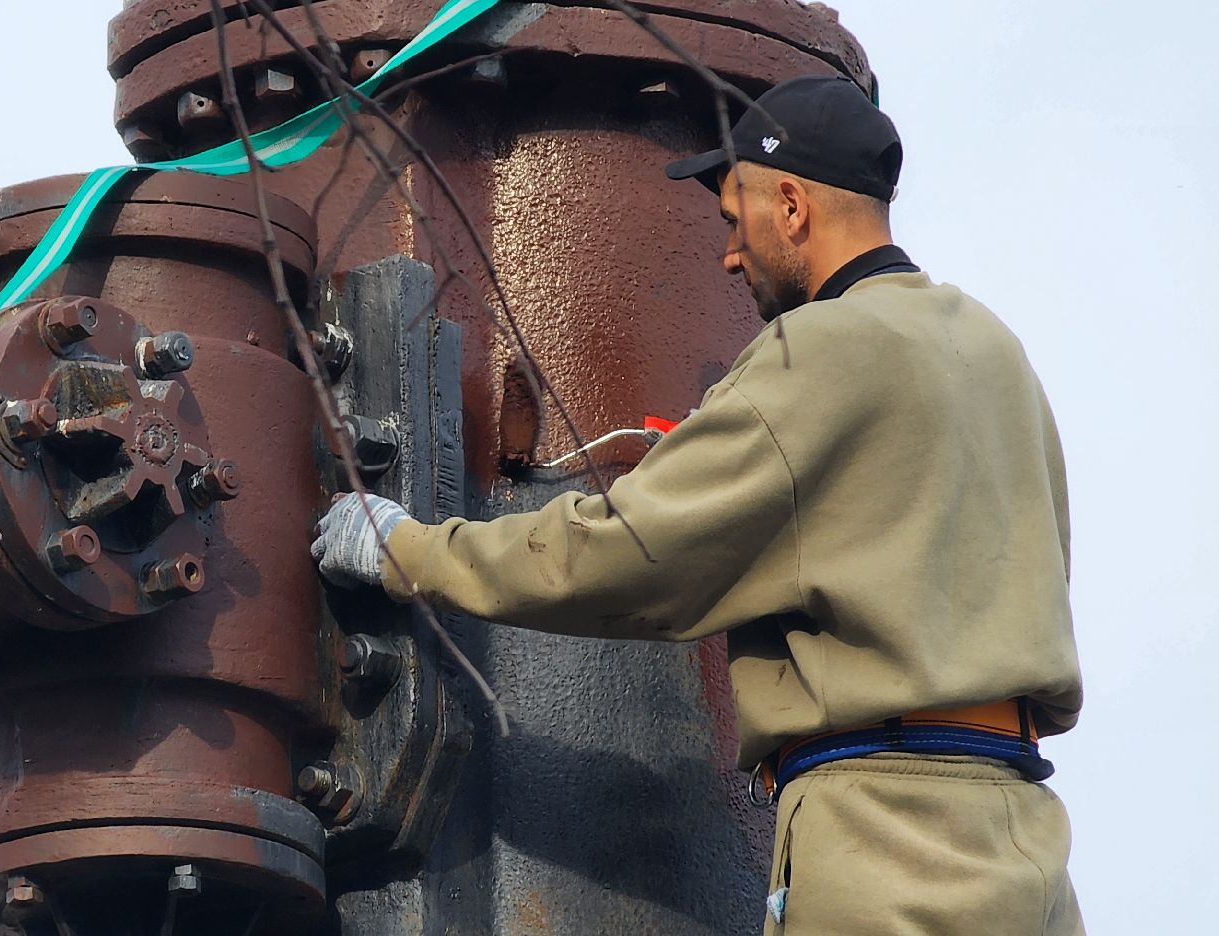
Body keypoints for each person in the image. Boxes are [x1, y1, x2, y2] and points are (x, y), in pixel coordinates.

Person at [311, 75, 1085, 935]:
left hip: (887, 843)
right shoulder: (993, 352)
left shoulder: (816, 351)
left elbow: (632, 554)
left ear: (791, 206)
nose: (728, 256)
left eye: (733, 219)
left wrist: (407, 549)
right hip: (1024, 849)